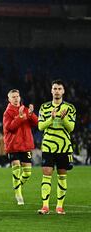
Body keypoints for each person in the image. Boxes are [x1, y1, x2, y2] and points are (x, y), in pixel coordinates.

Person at [37, 79, 76, 215]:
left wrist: (64, 118)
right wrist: (52, 118)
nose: (57, 91)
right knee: (46, 174)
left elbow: (71, 128)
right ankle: (45, 206)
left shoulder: (70, 108)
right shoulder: (45, 107)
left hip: (64, 147)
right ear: (51, 90)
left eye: (59, 88)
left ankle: (60, 206)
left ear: (63, 91)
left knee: (62, 176)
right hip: (48, 145)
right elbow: (40, 126)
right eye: (55, 88)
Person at [3, 89, 38, 205]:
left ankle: (17, 186)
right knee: (17, 170)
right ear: (9, 99)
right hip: (13, 145)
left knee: (27, 173)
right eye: (13, 97)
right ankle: (18, 194)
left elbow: (37, 123)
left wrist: (31, 114)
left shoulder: (26, 109)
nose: (16, 98)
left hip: (26, 145)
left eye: (17, 96)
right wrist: (20, 117)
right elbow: (10, 127)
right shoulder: (7, 113)